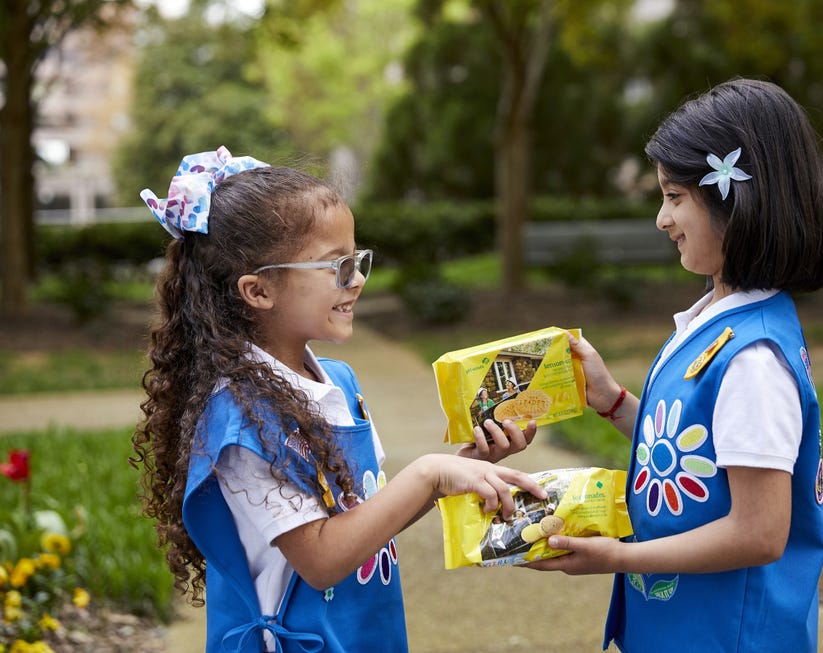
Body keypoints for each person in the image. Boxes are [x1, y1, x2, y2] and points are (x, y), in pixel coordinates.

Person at [131, 147, 545, 653]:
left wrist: (464, 468)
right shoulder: (239, 420)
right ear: (258, 291)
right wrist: (427, 474)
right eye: (336, 266)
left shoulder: (339, 383)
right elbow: (322, 558)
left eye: (357, 260)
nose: (358, 279)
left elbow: (362, 521)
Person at [528, 79, 823, 653]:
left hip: (729, 636)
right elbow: (699, 457)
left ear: (738, 200)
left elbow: (758, 533)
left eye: (674, 196)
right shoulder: (720, 320)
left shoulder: (752, 358)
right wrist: (612, 402)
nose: (661, 218)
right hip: (687, 627)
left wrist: (620, 557)